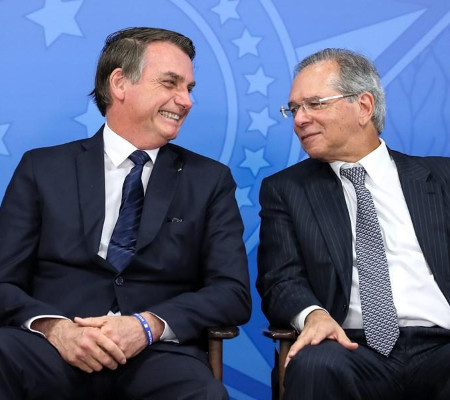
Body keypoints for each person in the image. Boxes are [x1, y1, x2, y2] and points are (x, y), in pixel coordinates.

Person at [0, 27, 251, 400]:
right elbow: (3, 281)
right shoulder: (42, 168)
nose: (186, 101)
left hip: (157, 356)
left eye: (189, 88)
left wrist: (147, 326)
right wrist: (55, 329)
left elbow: (232, 292)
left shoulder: (210, 181)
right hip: (51, 348)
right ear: (119, 83)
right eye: (170, 83)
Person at [257, 48, 450, 400]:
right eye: (294, 109)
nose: (299, 119)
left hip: (442, 343)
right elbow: (280, 279)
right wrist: (313, 315)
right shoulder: (286, 190)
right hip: (348, 346)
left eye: (314, 104)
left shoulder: (442, 177)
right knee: (314, 364)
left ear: (363, 106)